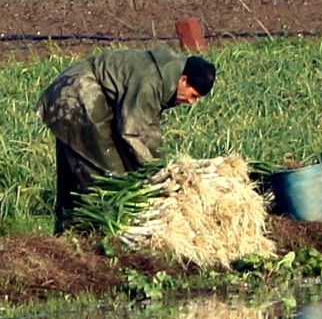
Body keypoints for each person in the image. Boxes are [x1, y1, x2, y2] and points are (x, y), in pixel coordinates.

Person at [38, 34, 218, 232]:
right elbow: (130, 132)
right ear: (183, 80)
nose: (191, 102)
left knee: (76, 174)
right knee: (107, 176)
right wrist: (157, 174)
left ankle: (65, 238)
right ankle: (92, 237)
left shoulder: (166, 77)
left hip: (71, 91)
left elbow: (148, 129)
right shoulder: (152, 81)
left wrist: (163, 165)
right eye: (193, 95)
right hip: (77, 94)